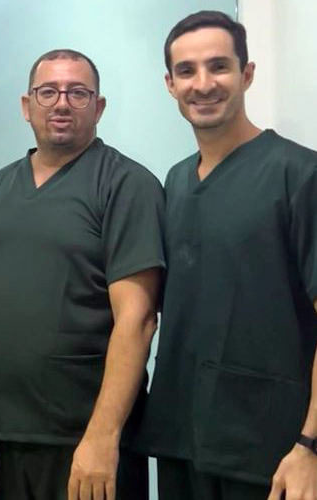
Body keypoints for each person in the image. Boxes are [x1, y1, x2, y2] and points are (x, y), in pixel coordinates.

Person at [135, 10, 317, 500]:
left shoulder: (299, 175)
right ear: (170, 85)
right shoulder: (175, 181)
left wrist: (310, 446)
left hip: (270, 452)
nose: (203, 84)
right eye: (187, 71)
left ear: (247, 74)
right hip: (182, 439)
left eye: (219, 66)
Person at [0, 49, 165, 500]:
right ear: (27, 106)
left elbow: (138, 320)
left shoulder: (126, 185)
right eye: (48, 92)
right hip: (9, 433)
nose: (62, 103)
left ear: (99, 107)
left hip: (88, 440)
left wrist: (102, 436)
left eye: (78, 93)